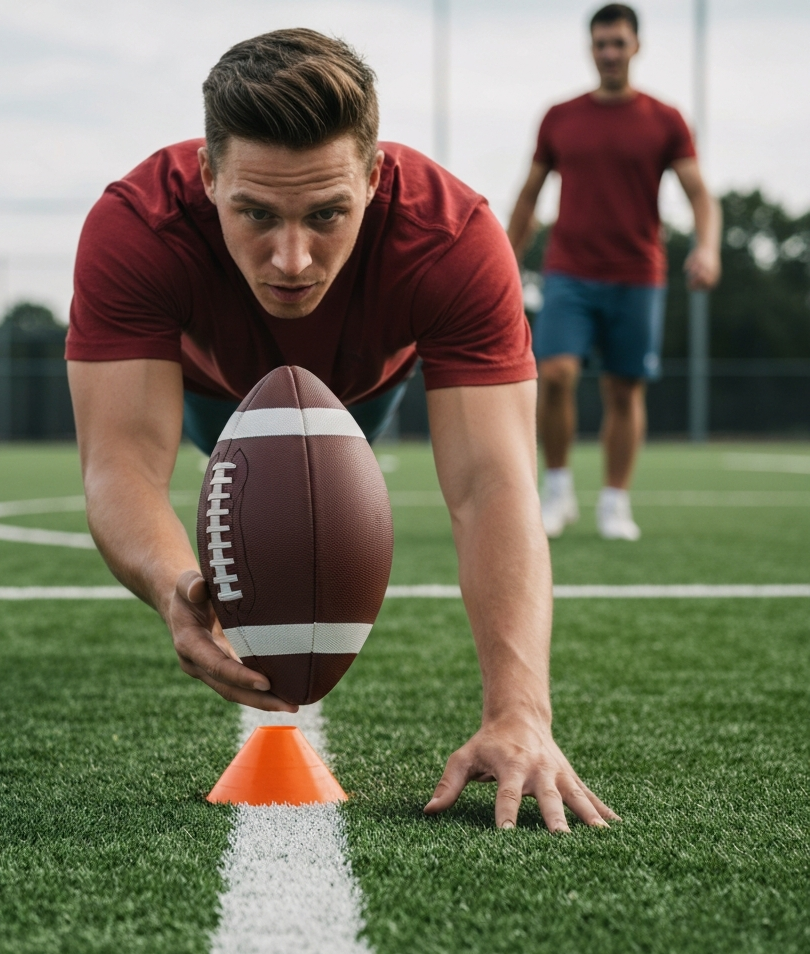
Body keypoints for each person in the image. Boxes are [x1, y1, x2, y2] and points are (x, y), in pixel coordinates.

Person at [67, 29, 619, 832]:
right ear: (207, 176)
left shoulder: (455, 237)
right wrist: (173, 586)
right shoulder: (138, 225)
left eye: (327, 214)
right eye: (255, 213)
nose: (292, 258)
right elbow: (120, 463)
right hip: (207, 395)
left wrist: (520, 709)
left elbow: (492, 484)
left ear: (373, 175)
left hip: (362, 396)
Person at [507, 4, 721, 540]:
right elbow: (529, 196)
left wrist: (709, 248)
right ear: (590, 47)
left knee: (625, 391)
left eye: (618, 43)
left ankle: (614, 502)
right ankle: (557, 492)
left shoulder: (665, 119)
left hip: (638, 274)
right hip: (569, 273)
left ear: (636, 46)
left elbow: (700, 195)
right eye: (600, 43)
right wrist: (506, 259)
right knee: (554, 377)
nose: (608, 53)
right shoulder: (560, 116)